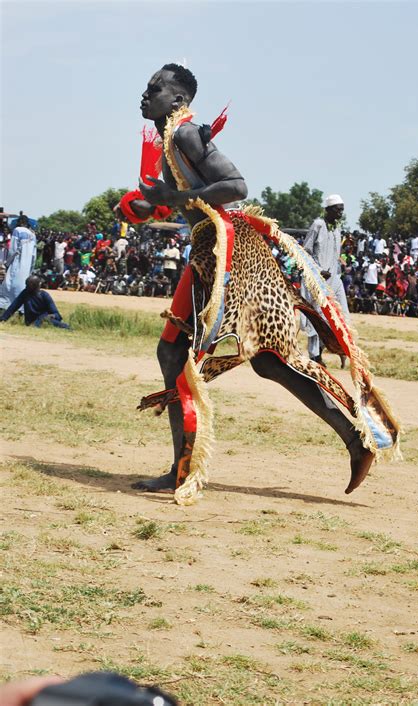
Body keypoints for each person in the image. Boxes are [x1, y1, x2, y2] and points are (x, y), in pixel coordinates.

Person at [116, 63, 399, 502]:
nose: (144, 93)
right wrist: (149, 205)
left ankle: (183, 467)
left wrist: (176, 198)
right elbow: (191, 200)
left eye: (154, 88)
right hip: (211, 247)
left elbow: (236, 185)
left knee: (190, 353)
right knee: (262, 359)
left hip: (230, 252)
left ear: (177, 100)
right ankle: (355, 439)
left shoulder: (188, 135)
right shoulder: (172, 138)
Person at [300, 194, 349, 367]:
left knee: (340, 315)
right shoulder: (318, 225)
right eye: (338, 209)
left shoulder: (337, 228)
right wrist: (318, 270)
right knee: (318, 317)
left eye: (342, 209)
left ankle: (341, 348)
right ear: (328, 209)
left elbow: (336, 256)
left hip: (334, 279)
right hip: (317, 278)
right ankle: (315, 356)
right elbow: (305, 250)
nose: (341, 213)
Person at [0, 275, 71, 328]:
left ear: (34, 286)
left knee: (61, 325)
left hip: (44, 321)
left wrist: (48, 317)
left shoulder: (44, 295)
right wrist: (3, 319)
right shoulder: (25, 293)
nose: (26, 287)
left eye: (28, 285)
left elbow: (57, 315)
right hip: (31, 322)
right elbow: (13, 307)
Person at [0, 214, 37, 311]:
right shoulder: (33, 234)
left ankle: (4, 309)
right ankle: (21, 310)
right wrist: (31, 269)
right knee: (22, 287)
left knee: (8, 286)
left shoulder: (17, 231)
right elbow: (34, 255)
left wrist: (7, 264)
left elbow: (13, 250)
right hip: (27, 266)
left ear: (19, 222)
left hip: (17, 263)